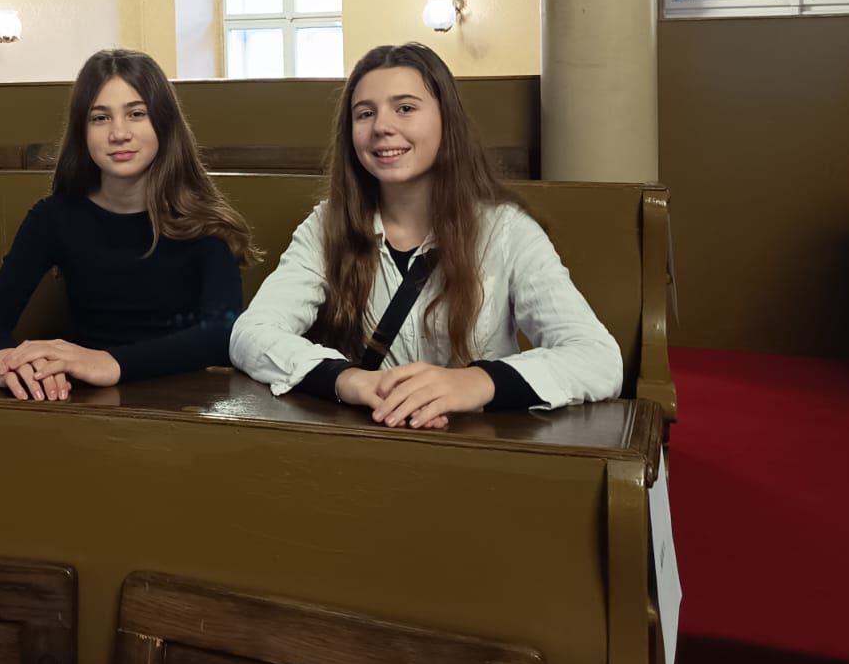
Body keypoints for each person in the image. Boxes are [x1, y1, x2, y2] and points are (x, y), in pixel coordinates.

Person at [230, 42, 621, 429]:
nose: (382, 127)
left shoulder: (506, 230)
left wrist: (476, 382)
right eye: (365, 113)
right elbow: (251, 334)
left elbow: (598, 358)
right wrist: (347, 379)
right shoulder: (327, 225)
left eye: (405, 108)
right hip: (370, 440)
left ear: (446, 120)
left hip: (480, 445)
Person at [0, 48, 253, 399]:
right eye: (100, 118)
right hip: (86, 401)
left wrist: (111, 363)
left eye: (136, 114)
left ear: (164, 122)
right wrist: (4, 360)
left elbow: (221, 334)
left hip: (186, 402)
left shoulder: (205, 222)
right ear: (82, 131)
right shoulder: (54, 216)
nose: (119, 133)